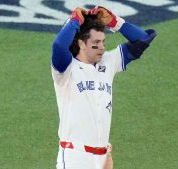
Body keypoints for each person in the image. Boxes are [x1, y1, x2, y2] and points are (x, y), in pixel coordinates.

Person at [51, 6, 157, 169]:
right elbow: (58, 46)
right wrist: (75, 21)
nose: (102, 47)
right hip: (75, 158)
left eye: (103, 41)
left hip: (102, 158)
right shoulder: (65, 69)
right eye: (96, 42)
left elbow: (144, 39)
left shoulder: (108, 62)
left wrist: (115, 22)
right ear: (81, 43)